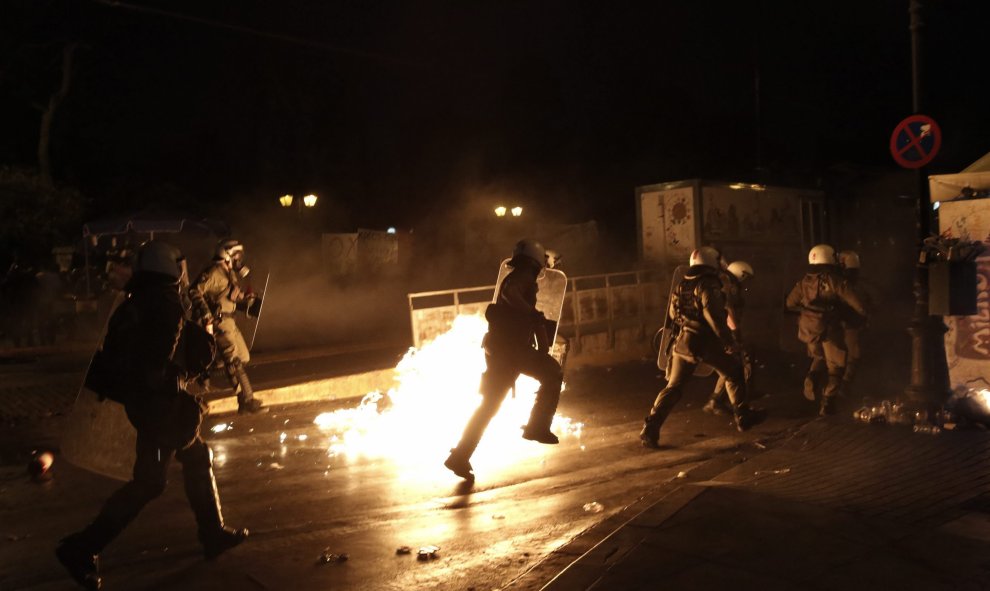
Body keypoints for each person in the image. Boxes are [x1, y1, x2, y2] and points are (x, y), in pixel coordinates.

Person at [56, 241, 248, 590]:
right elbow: (158, 363)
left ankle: (213, 533)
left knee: (197, 455)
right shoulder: (165, 301)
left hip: (146, 404)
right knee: (150, 482)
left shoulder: (136, 301)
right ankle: (80, 548)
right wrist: (173, 374)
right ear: (170, 268)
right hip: (159, 409)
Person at [444, 239, 564, 481]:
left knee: (489, 406)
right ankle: (537, 427)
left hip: (501, 350)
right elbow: (513, 296)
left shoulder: (516, 277)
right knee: (552, 373)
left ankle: (460, 455)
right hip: (512, 350)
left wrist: (535, 324)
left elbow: (517, 306)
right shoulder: (522, 278)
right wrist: (532, 314)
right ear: (534, 263)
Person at [641, 248, 761, 448]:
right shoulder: (708, 285)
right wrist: (728, 343)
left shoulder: (683, 284)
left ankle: (650, 428)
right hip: (705, 342)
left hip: (683, 342)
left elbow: (672, 314)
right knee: (734, 371)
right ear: (711, 262)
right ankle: (743, 416)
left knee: (673, 387)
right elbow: (714, 318)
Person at [785, 244, 867, 416]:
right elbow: (857, 303)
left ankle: (811, 378)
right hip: (829, 328)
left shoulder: (804, 281)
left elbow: (790, 303)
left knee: (818, 356)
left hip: (808, 329)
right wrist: (862, 314)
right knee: (837, 366)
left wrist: (808, 311)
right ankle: (827, 403)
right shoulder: (833, 280)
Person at [188, 239, 264, 414]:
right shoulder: (214, 271)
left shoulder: (228, 273)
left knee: (243, 357)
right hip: (219, 322)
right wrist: (207, 314)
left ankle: (207, 368)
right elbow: (194, 291)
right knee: (234, 361)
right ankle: (247, 400)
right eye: (236, 254)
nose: (239, 258)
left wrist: (246, 299)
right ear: (226, 254)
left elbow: (228, 296)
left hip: (230, 320)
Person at [703, 260, 754, 416]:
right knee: (733, 366)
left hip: (722, 331)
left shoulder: (725, 283)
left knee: (731, 366)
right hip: (726, 332)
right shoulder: (729, 287)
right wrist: (736, 333)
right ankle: (719, 401)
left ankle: (721, 400)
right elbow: (728, 310)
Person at [837, 250, 871, 397]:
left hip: (848, 324)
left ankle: (842, 386)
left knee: (849, 356)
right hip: (849, 324)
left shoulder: (841, 283)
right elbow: (861, 306)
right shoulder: (844, 285)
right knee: (853, 355)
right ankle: (843, 386)